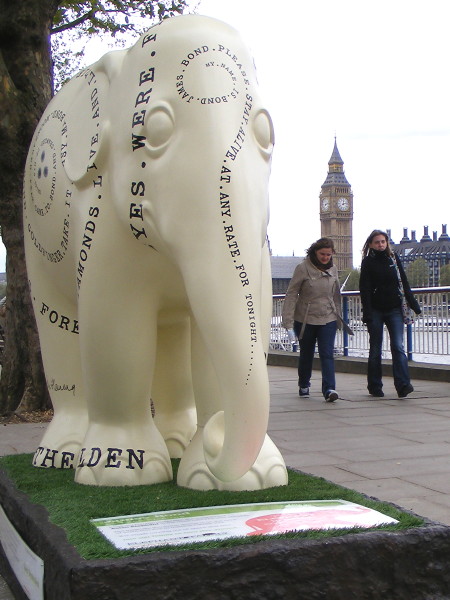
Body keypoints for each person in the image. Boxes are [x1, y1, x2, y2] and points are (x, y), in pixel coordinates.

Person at [359, 230, 421, 398]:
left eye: (383, 241)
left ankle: (403, 385)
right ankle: (375, 386)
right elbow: (364, 289)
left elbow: (404, 282)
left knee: (398, 347)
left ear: (387, 243)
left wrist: (414, 304)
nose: (380, 244)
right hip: (376, 310)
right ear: (371, 244)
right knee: (375, 349)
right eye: (377, 242)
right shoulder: (367, 263)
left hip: (394, 309)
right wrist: (367, 313)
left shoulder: (393, 259)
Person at [282, 237, 343, 402]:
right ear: (315, 252)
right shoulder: (302, 268)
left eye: (328, 255)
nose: (325, 257)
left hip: (328, 317)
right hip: (305, 318)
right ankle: (304, 384)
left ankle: (329, 389)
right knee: (307, 354)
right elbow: (292, 294)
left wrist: (339, 317)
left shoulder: (334, 269)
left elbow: (336, 295)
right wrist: (288, 324)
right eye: (322, 254)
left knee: (327, 353)